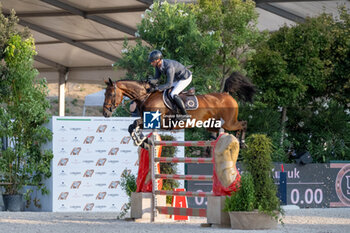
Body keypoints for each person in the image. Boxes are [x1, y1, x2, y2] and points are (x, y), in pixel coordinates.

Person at [148, 50, 192, 117]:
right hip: (176, 79)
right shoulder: (157, 66)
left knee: (173, 94)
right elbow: (157, 78)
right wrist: (149, 82)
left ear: (158, 60)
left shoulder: (169, 67)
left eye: (152, 61)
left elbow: (169, 84)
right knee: (165, 92)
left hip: (185, 78)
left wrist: (157, 88)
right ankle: (174, 111)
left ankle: (185, 115)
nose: (151, 63)